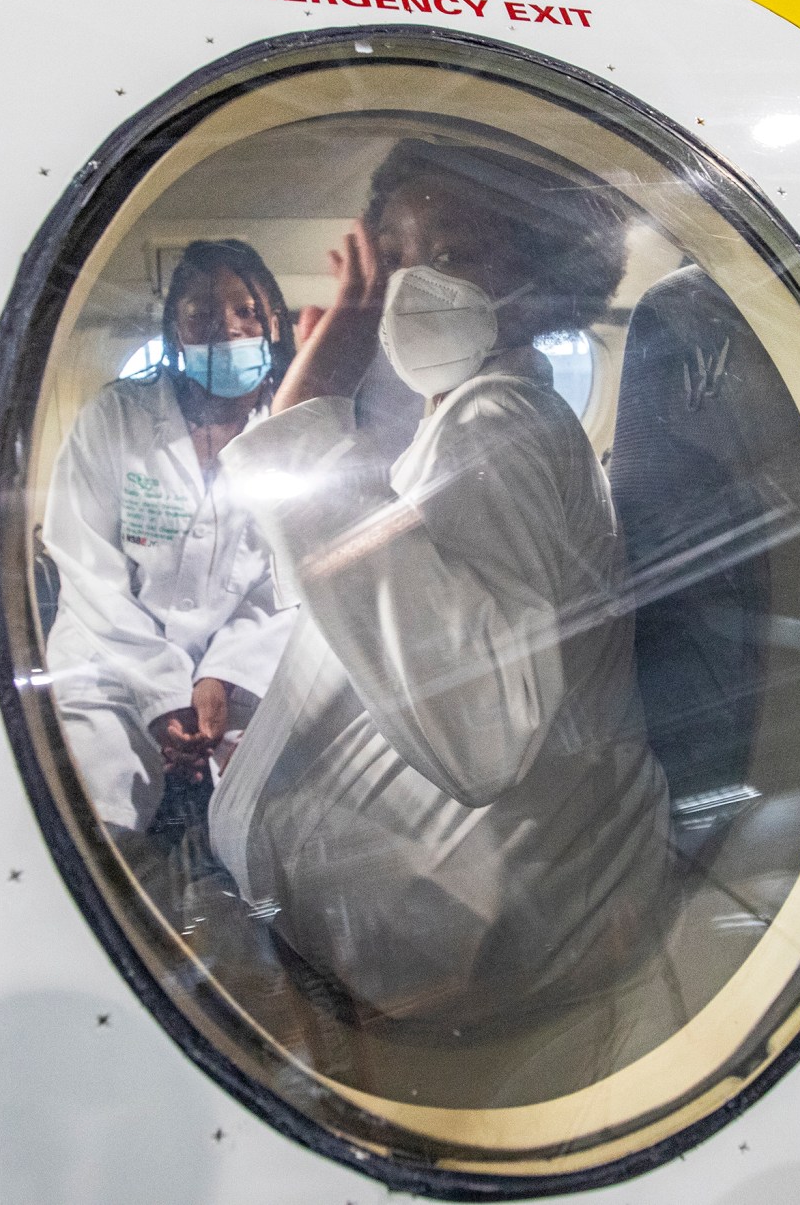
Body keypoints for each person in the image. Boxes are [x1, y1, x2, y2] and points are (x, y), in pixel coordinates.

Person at [210, 141, 674, 1027]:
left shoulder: (499, 421)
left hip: (463, 972)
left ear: (543, 280)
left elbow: (480, 728)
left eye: (455, 254)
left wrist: (308, 410)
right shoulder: (464, 422)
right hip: (421, 964)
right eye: (396, 257)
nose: (414, 285)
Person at [42, 240, 298, 835]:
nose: (227, 330)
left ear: (275, 323)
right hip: (109, 667)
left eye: (246, 312)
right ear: (174, 329)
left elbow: (286, 582)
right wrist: (160, 692)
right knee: (102, 829)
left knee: (267, 833)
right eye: (201, 316)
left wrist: (223, 677)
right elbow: (86, 567)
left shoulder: (290, 437)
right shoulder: (116, 419)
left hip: (237, 676)